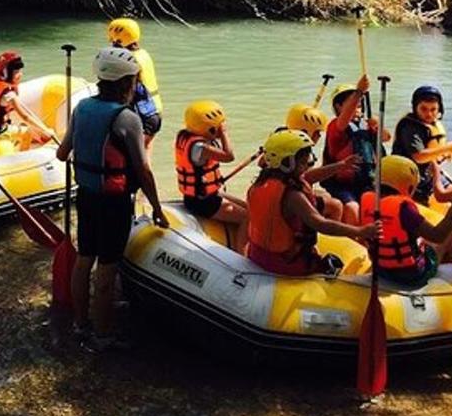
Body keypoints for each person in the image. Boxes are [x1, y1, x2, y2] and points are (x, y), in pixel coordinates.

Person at [56, 46, 168, 353]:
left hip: (87, 197)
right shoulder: (127, 118)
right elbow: (143, 170)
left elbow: (62, 153)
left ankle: (80, 323)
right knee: (106, 269)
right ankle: (103, 336)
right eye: (134, 81)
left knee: (84, 260)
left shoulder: (81, 108)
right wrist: (157, 209)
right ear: (125, 84)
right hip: (113, 202)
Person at [246, 129, 380, 276]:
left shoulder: (262, 182)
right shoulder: (292, 196)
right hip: (285, 264)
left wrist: (340, 165)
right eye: (303, 161)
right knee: (333, 265)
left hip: (257, 255)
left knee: (329, 204)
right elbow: (320, 224)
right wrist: (361, 231)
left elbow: (308, 177)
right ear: (286, 162)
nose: (307, 163)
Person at [358, 156, 452, 287]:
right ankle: (449, 267)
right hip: (412, 274)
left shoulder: (367, 200)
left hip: (380, 268)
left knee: (420, 240)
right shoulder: (404, 209)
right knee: (450, 230)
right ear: (408, 185)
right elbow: (438, 236)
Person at [174, 100, 249, 250]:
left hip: (200, 197)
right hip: (204, 202)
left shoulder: (187, 137)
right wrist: (224, 133)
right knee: (247, 217)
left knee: (249, 207)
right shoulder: (200, 147)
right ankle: (242, 256)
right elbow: (229, 156)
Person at [320, 76, 387, 224]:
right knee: (353, 207)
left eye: (360, 105)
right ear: (338, 107)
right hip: (341, 185)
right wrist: (358, 92)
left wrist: (378, 126)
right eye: (355, 105)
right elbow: (344, 119)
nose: (358, 108)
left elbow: (386, 138)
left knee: (375, 206)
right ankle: (351, 241)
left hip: (367, 183)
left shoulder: (367, 126)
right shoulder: (335, 127)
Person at [0, 51, 56, 157]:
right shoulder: (9, 95)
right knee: (27, 132)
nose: (20, 74)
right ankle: (22, 156)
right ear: (6, 74)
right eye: (17, 72)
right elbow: (26, 117)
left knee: (17, 127)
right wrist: (46, 130)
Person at [393, 85, 452, 205]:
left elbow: (434, 155)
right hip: (411, 178)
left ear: (439, 109)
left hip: (429, 173)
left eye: (433, 109)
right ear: (415, 108)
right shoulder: (410, 127)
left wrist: (445, 155)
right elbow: (419, 156)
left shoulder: (433, 125)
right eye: (423, 109)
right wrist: (448, 148)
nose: (429, 114)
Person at [107, 18, 163, 145]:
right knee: (145, 155)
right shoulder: (143, 54)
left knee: (134, 158)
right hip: (156, 109)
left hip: (143, 114)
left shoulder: (129, 61)